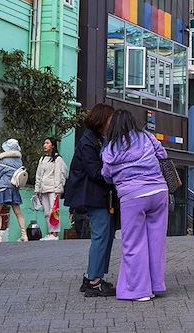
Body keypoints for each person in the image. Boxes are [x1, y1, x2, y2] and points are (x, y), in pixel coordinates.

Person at [101, 109, 169, 302]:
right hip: (158, 190)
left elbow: (106, 174)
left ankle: (138, 291)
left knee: (133, 243)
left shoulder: (111, 148)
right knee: (156, 240)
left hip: (132, 196)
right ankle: (156, 285)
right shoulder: (147, 137)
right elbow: (162, 155)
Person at [62, 103, 116, 297]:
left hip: (99, 195)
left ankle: (94, 276)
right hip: (93, 196)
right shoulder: (88, 141)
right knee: (101, 236)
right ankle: (93, 280)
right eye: (111, 118)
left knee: (106, 235)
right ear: (102, 119)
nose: (113, 122)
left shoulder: (98, 139)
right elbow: (94, 172)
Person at [0, 139, 27, 243]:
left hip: (3, 187)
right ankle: (24, 235)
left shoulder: (3, 160)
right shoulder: (19, 161)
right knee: (18, 212)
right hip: (14, 188)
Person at [35, 137, 68, 240]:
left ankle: (55, 234)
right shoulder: (43, 159)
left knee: (54, 211)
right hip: (43, 189)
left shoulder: (58, 159)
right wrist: (37, 189)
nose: (45, 145)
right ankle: (50, 233)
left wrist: (58, 189)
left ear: (53, 146)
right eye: (44, 143)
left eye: (47, 143)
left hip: (53, 189)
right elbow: (38, 175)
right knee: (46, 212)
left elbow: (60, 174)